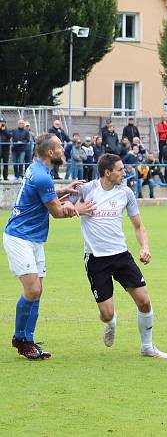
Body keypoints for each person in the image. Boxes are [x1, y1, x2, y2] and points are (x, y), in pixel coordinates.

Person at [3, 133, 92, 360]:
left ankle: (28, 340)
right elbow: (57, 212)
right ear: (50, 153)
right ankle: (20, 339)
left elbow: (43, 196)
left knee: (37, 292)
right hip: (19, 237)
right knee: (32, 290)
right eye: (60, 147)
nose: (63, 149)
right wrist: (78, 209)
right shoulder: (42, 176)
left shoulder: (37, 169)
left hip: (34, 238)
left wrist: (61, 191)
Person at [73, 153, 167, 358]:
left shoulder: (125, 193)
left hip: (121, 256)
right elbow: (55, 205)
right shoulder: (87, 189)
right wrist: (76, 208)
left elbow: (138, 225)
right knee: (106, 313)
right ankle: (111, 322)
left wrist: (145, 246)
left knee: (144, 301)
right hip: (96, 259)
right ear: (107, 173)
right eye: (120, 169)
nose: (124, 172)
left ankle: (147, 347)